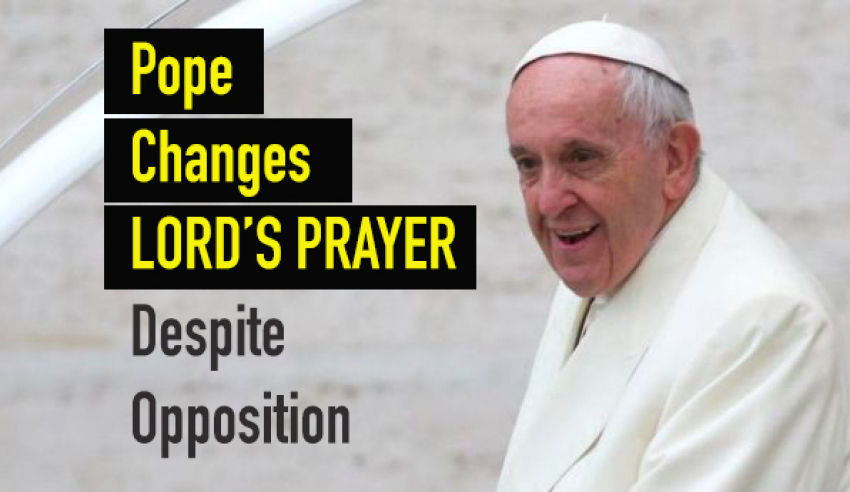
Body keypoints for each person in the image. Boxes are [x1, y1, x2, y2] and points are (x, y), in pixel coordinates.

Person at [498, 20, 849, 492]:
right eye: (528, 165)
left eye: (581, 157)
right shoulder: (611, 255)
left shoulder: (765, 323)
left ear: (675, 159)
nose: (548, 201)